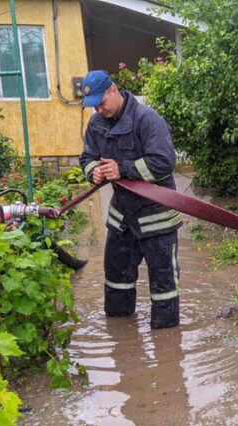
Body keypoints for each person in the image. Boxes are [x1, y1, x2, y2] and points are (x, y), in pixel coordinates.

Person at [78, 70, 182, 329]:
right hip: (121, 220)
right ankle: (120, 337)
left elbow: (164, 163)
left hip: (156, 219)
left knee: (163, 286)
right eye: (93, 107)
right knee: (116, 282)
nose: (99, 110)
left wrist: (123, 169)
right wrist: (94, 172)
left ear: (114, 89)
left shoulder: (147, 120)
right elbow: (86, 157)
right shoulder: (96, 124)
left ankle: (167, 344)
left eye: (102, 103)